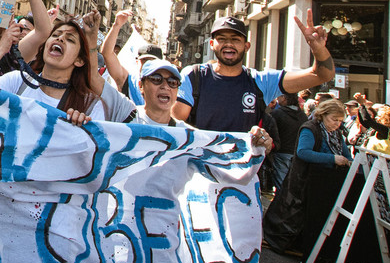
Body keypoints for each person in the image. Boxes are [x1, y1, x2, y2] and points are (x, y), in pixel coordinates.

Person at [172, 14, 333, 150]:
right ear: (212, 44)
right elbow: (175, 123)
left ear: (246, 46)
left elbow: (321, 75)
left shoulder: (261, 81)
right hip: (197, 172)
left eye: (235, 39)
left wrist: (317, 48)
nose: (229, 44)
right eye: (222, 39)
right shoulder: (194, 76)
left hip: (242, 177)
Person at [262, 99, 352, 263]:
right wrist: (333, 159)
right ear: (324, 114)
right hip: (306, 182)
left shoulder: (336, 134)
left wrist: (347, 159)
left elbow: (346, 153)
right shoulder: (310, 128)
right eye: (334, 119)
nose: (338, 124)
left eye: (340, 121)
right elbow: (303, 152)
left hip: (325, 184)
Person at [0, 19, 103, 124]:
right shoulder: (17, 81)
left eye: (70, 39)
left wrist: (81, 129)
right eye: (55, 34)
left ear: (79, 60)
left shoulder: (91, 106)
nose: (60, 38)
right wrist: (1, 49)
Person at [269, 92, 308, 189]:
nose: (277, 99)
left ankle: (283, 202)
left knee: (282, 184)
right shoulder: (303, 116)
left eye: (279, 96)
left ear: (284, 98)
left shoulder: (277, 114)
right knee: (293, 183)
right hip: (296, 153)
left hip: (281, 153)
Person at [130, 59, 184, 127]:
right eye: (156, 79)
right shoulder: (125, 116)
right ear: (141, 85)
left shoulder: (187, 134)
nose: (165, 86)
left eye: (172, 82)